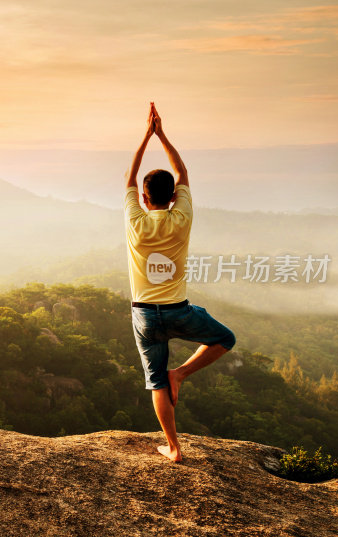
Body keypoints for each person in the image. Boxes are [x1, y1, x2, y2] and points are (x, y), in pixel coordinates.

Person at [124, 103, 236, 462]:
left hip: (144, 316)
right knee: (224, 338)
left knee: (155, 381)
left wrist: (146, 135)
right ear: (173, 196)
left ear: (144, 198)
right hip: (178, 311)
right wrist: (162, 134)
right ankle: (182, 374)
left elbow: (129, 176)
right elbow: (182, 171)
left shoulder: (135, 222)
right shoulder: (182, 216)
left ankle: (173, 448)